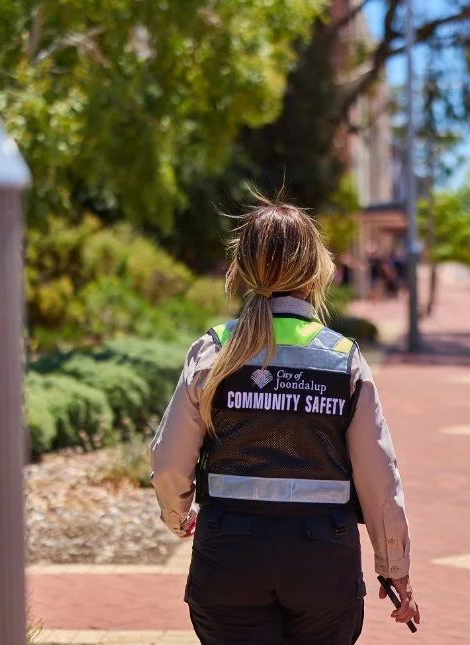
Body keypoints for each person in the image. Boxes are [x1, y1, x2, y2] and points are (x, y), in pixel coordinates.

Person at [151, 194, 419, 644]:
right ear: (316, 266)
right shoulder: (342, 358)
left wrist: (179, 518)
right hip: (322, 562)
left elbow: (168, 462)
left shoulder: (213, 350)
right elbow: (379, 478)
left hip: (228, 554)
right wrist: (395, 571)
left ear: (243, 265)